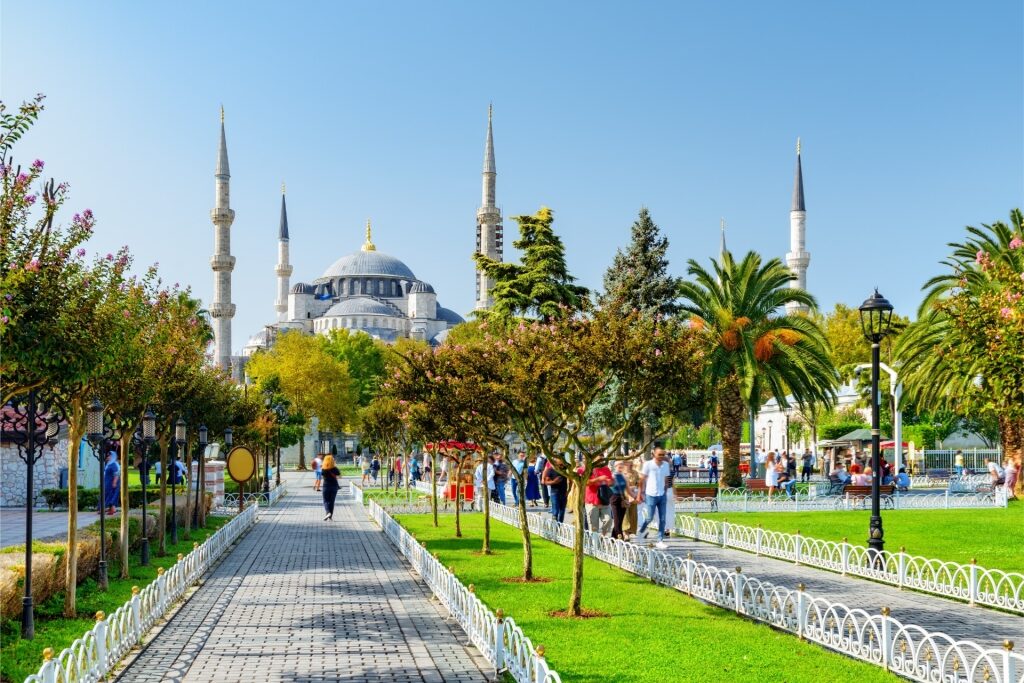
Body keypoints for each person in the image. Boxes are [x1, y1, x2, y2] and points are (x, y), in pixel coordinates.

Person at [638, 448, 672, 548]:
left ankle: (660, 540)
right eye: (660, 454)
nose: (661, 456)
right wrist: (640, 494)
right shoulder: (648, 464)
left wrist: (665, 491)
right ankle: (641, 532)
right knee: (649, 517)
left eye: (663, 455)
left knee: (662, 519)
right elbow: (641, 480)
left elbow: (666, 480)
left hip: (662, 495)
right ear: (654, 454)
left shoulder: (665, 465)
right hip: (651, 494)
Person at [582, 461, 613, 536]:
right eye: (599, 458)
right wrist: (598, 479)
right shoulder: (588, 469)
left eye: (602, 457)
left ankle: (602, 536)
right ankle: (594, 544)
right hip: (592, 501)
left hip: (604, 500)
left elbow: (611, 482)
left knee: (608, 520)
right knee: (593, 527)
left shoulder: (606, 469)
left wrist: (609, 482)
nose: (601, 460)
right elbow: (586, 482)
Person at [610, 461, 630, 540]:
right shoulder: (612, 475)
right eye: (619, 465)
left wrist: (634, 497)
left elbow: (627, 489)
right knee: (616, 519)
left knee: (620, 519)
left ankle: (613, 537)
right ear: (615, 466)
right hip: (614, 498)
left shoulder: (624, 476)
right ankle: (619, 536)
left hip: (622, 499)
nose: (621, 466)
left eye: (622, 464)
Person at [623, 459, 641, 539]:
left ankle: (630, 531)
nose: (630, 466)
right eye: (628, 464)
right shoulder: (622, 473)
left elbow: (638, 483)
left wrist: (636, 487)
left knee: (633, 514)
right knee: (625, 514)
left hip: (633, 495)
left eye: (631, 464)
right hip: (624, 495)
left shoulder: (635, 473)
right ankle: (625, 532)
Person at [320, 454, 340, 520]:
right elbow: (339, 475)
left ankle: (328, 512)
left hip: (326, 486)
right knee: (332, 501)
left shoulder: (323, 469)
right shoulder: (335, 468)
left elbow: (322, 476)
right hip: (334, 486)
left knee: (326, 500)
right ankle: (330, 516)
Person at [103, 450, 120, 516]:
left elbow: (116, 474)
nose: (107, 457)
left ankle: (112, 509)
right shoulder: (109, 463)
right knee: (107, 495)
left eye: (109, 455)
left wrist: (114, 482)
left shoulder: (114, 464)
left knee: (111, 495)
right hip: (108, 482)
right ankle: (110, 509)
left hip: (112, 482)